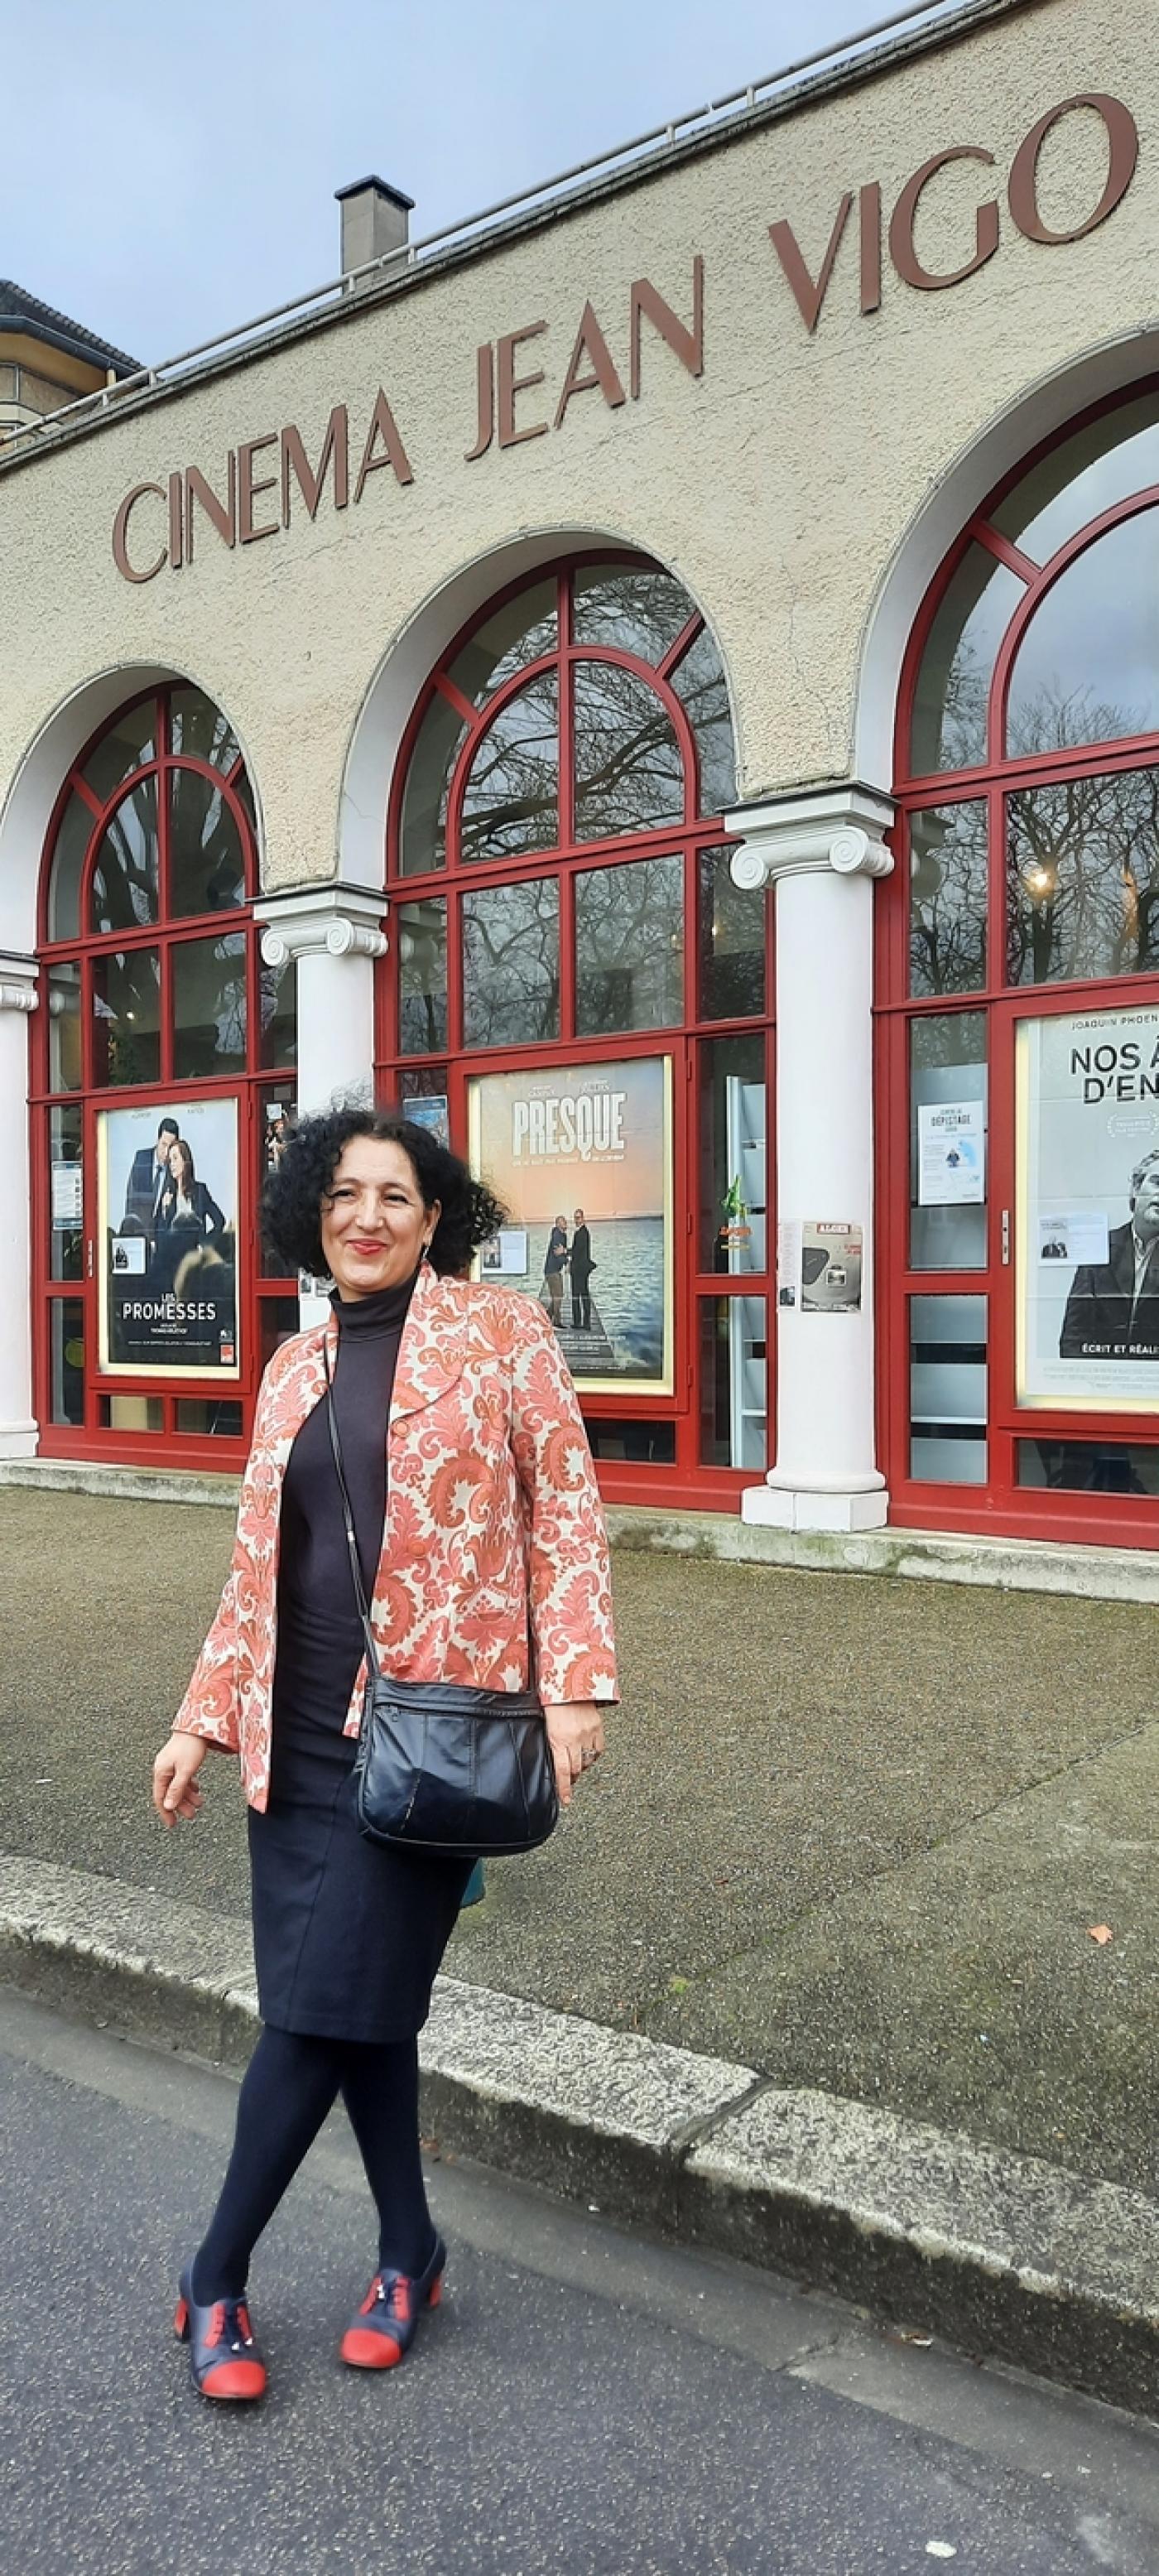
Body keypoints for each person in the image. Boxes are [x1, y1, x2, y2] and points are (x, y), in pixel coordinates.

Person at [151, 1109, 617, 2405]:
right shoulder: (290, 1367)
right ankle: (409, 2249)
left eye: (395, 1196)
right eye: (345, 1193)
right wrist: (201, 1714)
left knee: (311, 2012)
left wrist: (574, 1685)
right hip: (287, 1742)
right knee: (361, 2011)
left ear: (432, 1217)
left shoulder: (501, 1332)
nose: (367, 1215)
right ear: (317, 1211)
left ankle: (212, 2270)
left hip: (427, 1731)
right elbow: (259, 1573)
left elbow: (564, 1502)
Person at [1060, 1151, 1159, 1361]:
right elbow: (1073, 1337)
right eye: (1157, 1182)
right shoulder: (1099, 1247)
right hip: (1102, 1383)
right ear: (1135, 1189)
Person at [123, 1116, 179, 1232]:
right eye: (164, 1144)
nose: (166, 1151)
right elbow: (131, 1197)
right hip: (139, 1231)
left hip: (162, 1235)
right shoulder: (142, 1158)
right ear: (157, 1140)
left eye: (170, 1146)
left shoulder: (174, 1169)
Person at [570, 1207, 595, 1331]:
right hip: (580, 1269)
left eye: (578, 1217)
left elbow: (577, 1251)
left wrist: (565, 1251)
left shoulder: (582, 1232)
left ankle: (582, 1322)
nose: (576, 1220)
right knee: (582, 1295)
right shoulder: (581, 1231)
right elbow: (577, 1251)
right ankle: (582, 1322)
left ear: (583, 1219)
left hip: (580, 1270)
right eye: (575, 1217)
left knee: (579, 1295)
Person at [542, 1215, 569, 1324]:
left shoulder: (562, 1235)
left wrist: (565, 1256)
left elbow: (561, 1252)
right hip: (552, 1270)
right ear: (558, 1224)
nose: (565, 1223)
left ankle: (548, 1315)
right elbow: (557, 1252)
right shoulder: (557, 1235)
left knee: (557, 1296)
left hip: (553, 1270)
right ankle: (556, 1321)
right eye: (562, 1222)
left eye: (565, 1221)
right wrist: (567, 1262)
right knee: (558, 1296)